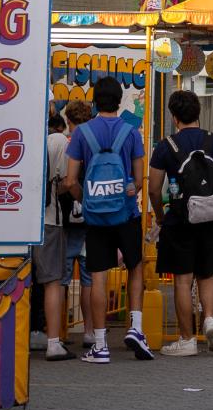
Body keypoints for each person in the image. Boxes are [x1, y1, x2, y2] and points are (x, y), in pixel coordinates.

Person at [146, 89, 213, 356]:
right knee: (207, 275)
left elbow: (154, 189)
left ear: (174, 117)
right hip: (212, 220)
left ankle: (187, 339)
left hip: (180, 221)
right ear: (198, 114)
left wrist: (161, 216)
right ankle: (210, 319)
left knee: (182, 280)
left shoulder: (166, 146)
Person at [62, 77, 150, 364]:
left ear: (95, 100)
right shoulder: (131, 132)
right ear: (119, 100)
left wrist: (86, 200)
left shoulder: (82, 133)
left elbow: (71, 180)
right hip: (126, 213)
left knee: (97, 275)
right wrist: (129, 190)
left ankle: (99, 345)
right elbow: (138, 181)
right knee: (135, 267)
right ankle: (135, 327)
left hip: (96, 217)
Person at [33, 109, 90, 361]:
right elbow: (68, 181)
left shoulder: (30, 140)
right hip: (51, 220)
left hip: (23, 221)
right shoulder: (58, 142)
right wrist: (83, 200)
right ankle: (54, 342)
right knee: (53, 282)